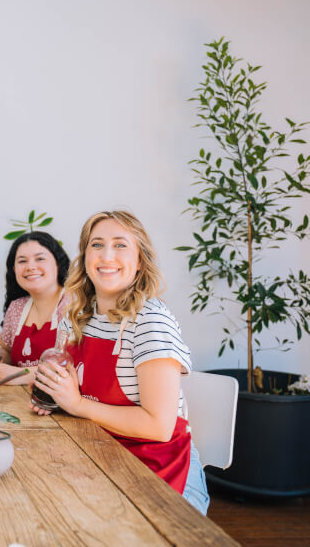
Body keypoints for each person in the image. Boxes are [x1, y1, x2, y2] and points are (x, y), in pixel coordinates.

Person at [31, 210, 209, 514]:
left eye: (120, 245)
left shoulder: (150, 321)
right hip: (100, 457)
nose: (106, 255)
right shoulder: (76, 318)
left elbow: (159, 427)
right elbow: (74, 391)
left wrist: (76, 405)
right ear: (85, 258)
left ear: (140, 261)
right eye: (96, 245)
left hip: (161, 472)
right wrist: (55, 397)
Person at [0, 231, 70, 385]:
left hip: (55, 403)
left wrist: (19, 374)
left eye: (40, 258)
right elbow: (6, 350)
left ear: (58, 263)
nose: (30, 267)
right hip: (15, 398)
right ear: (14, 269)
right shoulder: (17, 307)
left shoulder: (74, 304)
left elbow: (74, 364)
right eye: (22, 261)